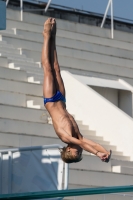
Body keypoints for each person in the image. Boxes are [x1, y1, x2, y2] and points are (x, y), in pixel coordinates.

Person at [42, 18, 111, 164]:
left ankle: (47, 35)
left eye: (76, 153)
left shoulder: (65, 137)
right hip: (61, 100)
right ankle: (53, 37)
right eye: (80, 154)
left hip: (51, 101)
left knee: (48, 68)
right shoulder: (78, 136)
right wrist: (104, 151)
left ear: (68, 149)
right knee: (56, 69)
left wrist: (97, 153)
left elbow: (84, 145)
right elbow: (91, 143)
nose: (79, 151)